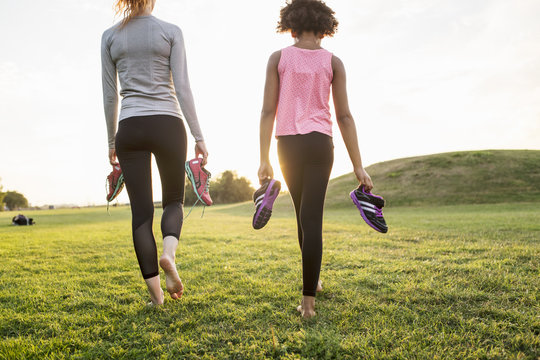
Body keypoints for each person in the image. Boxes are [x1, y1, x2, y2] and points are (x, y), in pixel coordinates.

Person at [257, 0, 374, 318]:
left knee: (302, 217)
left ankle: (309, 295)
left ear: (291, 25)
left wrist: (263, 158)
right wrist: (358, 165)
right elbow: (345, 116)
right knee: (310, 219)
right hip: (321, 145)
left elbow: (268, 111)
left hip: (288, 146)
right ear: (325, 27)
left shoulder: (278, 58)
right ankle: (311, 295)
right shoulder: (333, 62)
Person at [101, 0, 208, 305]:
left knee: (141, 215)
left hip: (130, 127)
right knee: (173, 200)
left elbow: (110, 95)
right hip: (169, 124)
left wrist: (112, 141)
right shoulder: (170, 31)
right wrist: (198, 135)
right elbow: (183, 88)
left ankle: (157, 297)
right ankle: (169, 254)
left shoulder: (110, 36)